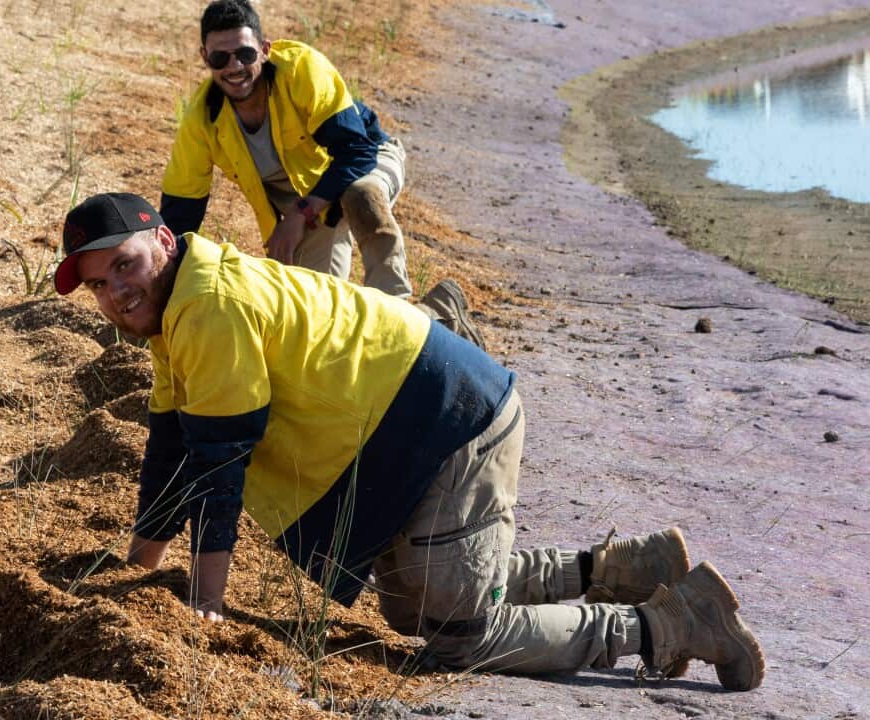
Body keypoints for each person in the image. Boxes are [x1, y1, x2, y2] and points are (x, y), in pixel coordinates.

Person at [53, 192, 766, 691]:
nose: (116, 293)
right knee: (410, 607)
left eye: (125, 265)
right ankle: (629, 566)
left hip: (450, 421)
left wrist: (204, 605)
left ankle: (669, 624)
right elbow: (173, 448)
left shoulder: (208, 306)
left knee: (460, 636)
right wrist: (139, 568)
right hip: (410, 426)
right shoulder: (177, 306)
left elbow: (221, 463)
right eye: (99, 285)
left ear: (164, 242)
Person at [160, 0, 415, 300]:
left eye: (245, 54)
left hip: (365, 158)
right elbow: (180, 212)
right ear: (205, 57)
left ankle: (398, 303)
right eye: (220, 58)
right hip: (310, 201)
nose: (234, 66)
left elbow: (355, 149)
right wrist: (158, 284)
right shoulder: (202, 120)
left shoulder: (301, 71)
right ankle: (439, 309)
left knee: (362, 195)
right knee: (316, 305)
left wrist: (299, 215)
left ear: (264, 49)